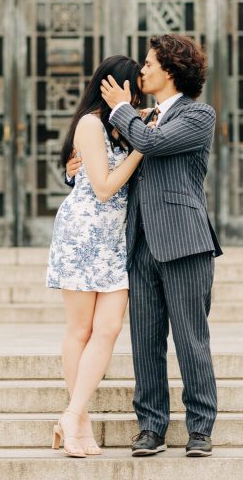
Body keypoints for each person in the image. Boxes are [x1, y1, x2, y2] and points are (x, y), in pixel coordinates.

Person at [100, 34, 222, 458]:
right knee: (145, 341)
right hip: (139, 245)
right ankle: (150, 427)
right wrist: (74, 169)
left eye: (149, 64)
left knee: (191, 338)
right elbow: (110, 163)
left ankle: (200, 428)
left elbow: (151, 144)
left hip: (185, 242)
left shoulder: (198, 116)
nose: (142, 71)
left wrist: (120, 110)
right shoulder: (140, 117)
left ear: (170, 70)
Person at [46, 55, 144, 458]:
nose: (137, 94)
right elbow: (103, 187)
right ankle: (79, 421)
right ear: (113, 86)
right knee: (80, 330)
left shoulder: (126, 126)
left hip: (113, 239)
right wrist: (141, 149)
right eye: (132, 86)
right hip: (83, 233)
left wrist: (138, 137)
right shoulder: (90, 123)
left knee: (108, 329)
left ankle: (70, 414)